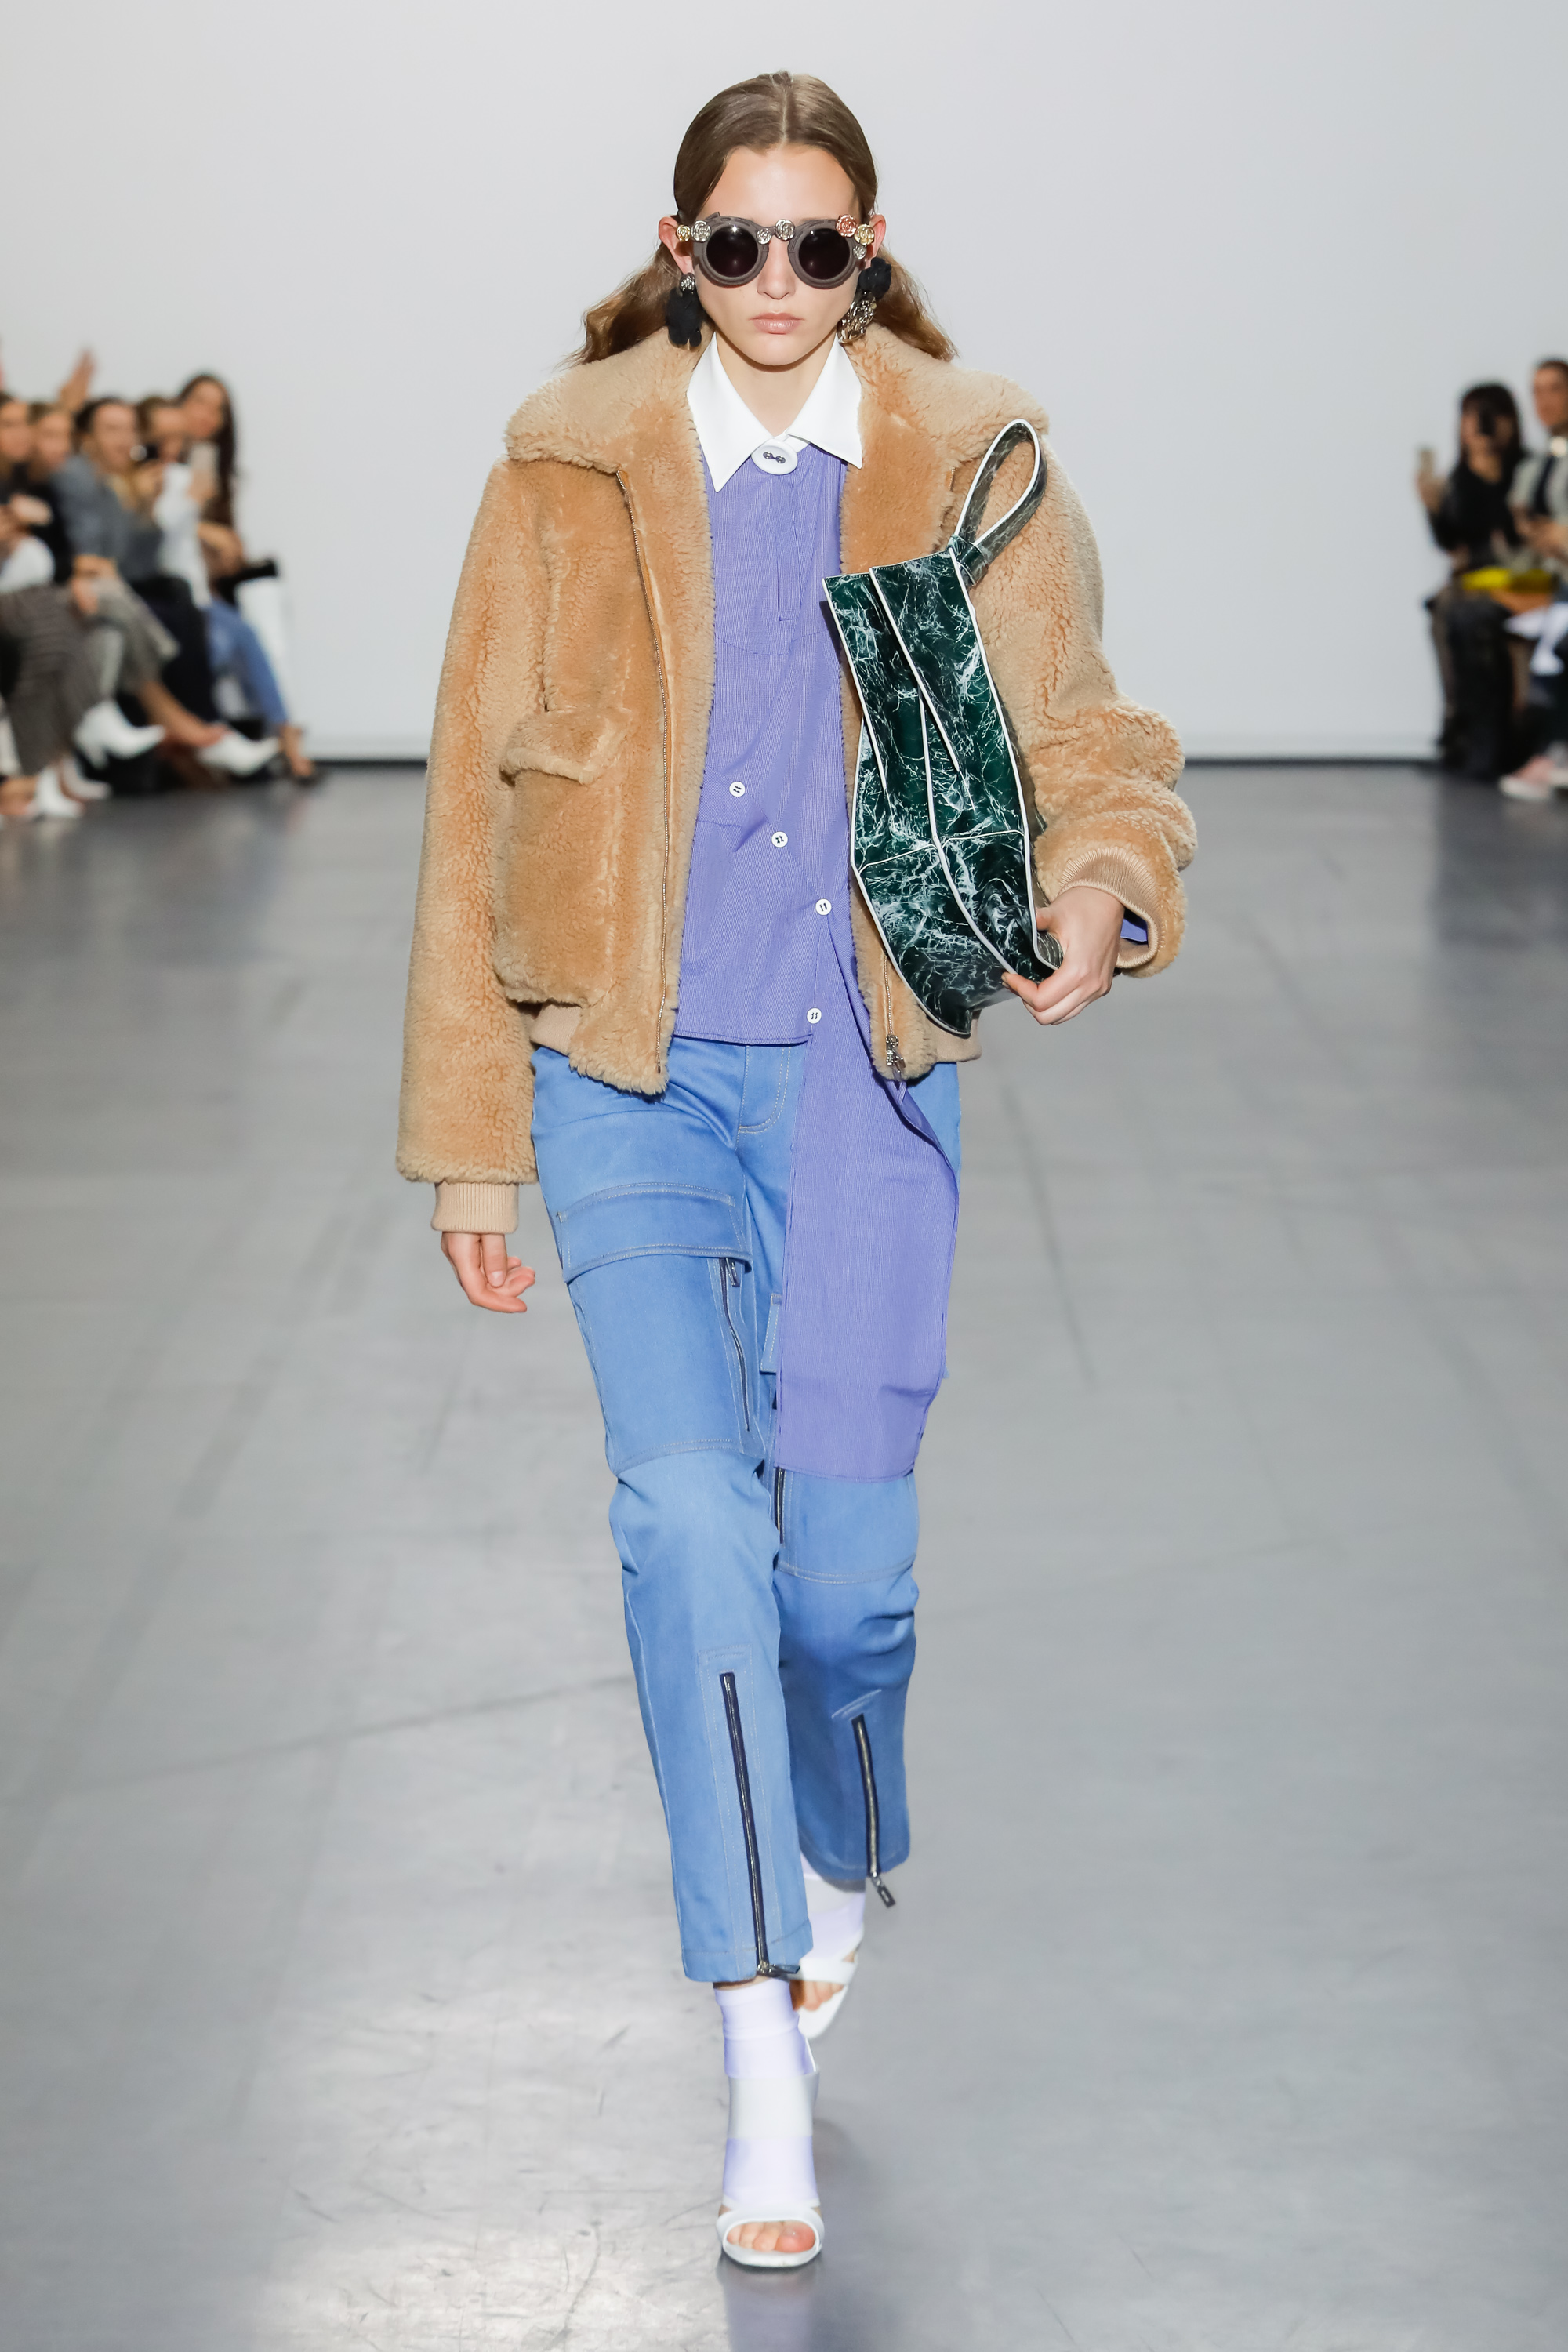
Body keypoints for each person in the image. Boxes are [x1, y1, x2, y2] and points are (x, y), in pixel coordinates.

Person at [397, 71, 1194, 2272]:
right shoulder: (564, 467)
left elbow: (1092, 739)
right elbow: (468, 793)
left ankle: (845, 1848)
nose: (772, 280)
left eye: (813, 245)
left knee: (846, 1593)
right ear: (679, 249)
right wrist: (470, 1140)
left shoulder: (968, 459)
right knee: (687, 1530)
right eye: (732, 242)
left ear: (869, 250)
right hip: (625, 1076)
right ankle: (759, 2053)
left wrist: (1100, 887)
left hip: (864, 1080)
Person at [51, 399, 276, 779]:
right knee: (151, 608)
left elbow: (138, 562)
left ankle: (202, 725)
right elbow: (102, 558)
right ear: (87, 439)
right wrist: (135, 510)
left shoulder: (113, 484)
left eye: (129, 429)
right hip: (81, 591)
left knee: (181, 597)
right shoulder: (79, 479)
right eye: (112, 429)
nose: (125, 439)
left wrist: (145, 507)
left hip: (119, 587)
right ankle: (192, 728)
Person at [138, 397, 314, 780]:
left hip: (198, 593)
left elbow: (185, 545)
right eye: (161, 437)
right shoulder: (146, 483)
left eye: (178, 437)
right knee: (216, 645)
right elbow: (151, 543)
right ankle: (212, 739)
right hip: (169, 595)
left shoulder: (187, 478)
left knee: (249, 635)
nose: (170, 445)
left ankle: (284, 735)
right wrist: (192, 510)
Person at [1417, 383, 1526, 779]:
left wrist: (1491, 480)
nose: (1478, 426)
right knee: (1442, 609)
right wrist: (1433, 508)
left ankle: (1489, 739)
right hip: (1476, 580)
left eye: (1488, 416)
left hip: (1519, 578)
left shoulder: (1523, 469)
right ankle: (1459, 727)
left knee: (1459, 609)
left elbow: (1512, 535)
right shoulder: (1461, 475)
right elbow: (1452, 541)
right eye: (1470, 416)